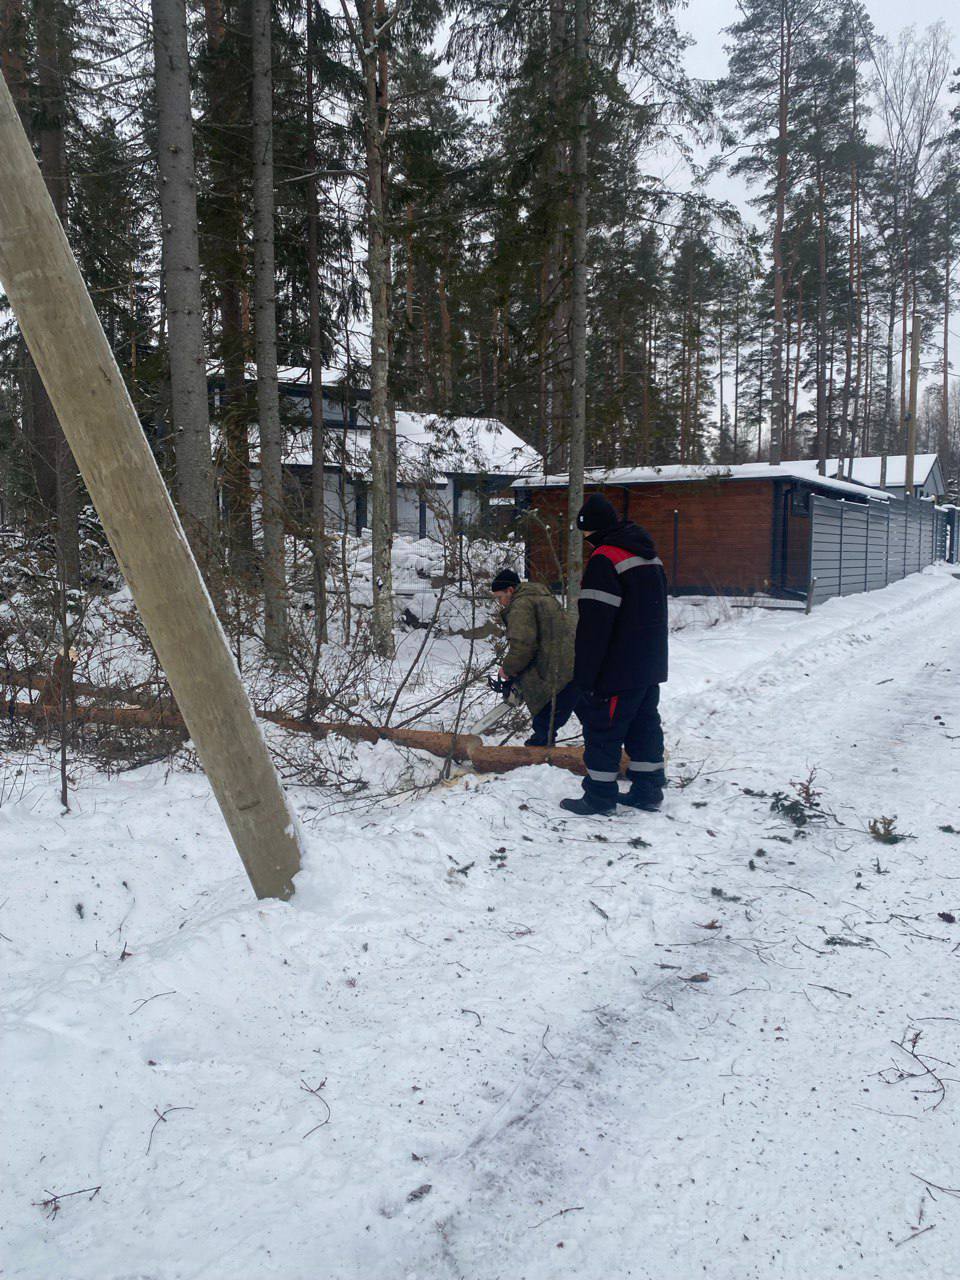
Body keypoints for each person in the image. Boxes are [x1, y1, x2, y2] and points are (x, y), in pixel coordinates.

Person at [560, 493, 668, 817]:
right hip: (649, 664)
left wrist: (586, 675)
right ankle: (648, 791)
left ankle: (599, 796)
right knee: (644, 725)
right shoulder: (649, 555)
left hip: (619, 668)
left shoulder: (605, 559)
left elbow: (595, 625)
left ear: (590, 530)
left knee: (603, 728)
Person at [490, 567, 580, 747]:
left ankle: (540, 752)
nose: (500, 603)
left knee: (545, 712)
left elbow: (523, 645)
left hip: (556, 667)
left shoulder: (521, 605)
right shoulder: (542, 596)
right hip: (573, 661)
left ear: (510, 590)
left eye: (500, 597)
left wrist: (508, 669)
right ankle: (603, 754)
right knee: (588, 713)